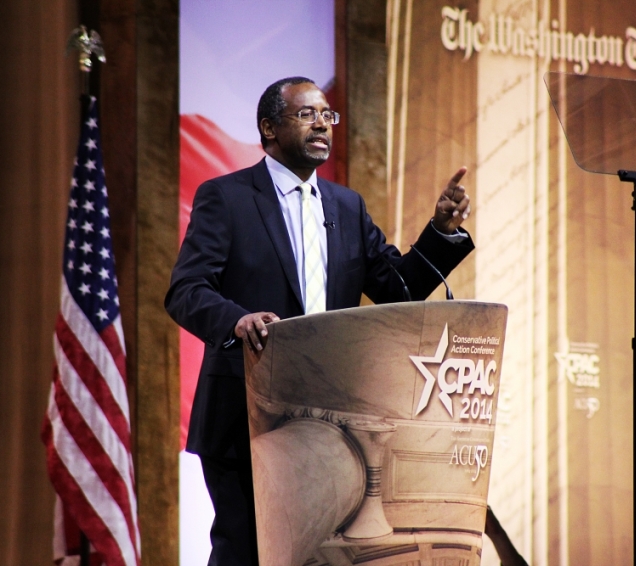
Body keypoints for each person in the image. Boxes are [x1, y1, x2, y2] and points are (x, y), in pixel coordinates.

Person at [165, 76, 474, 566]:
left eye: (327, 115)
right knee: (245, 552)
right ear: (268, 129)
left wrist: (441, 232)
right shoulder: (226, 197)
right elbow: (185, 291)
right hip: (244, 414)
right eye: (306, 114)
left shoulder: (346, 206)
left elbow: (399, 288)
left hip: (329, 425)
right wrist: (236, 321)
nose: (322, 125)